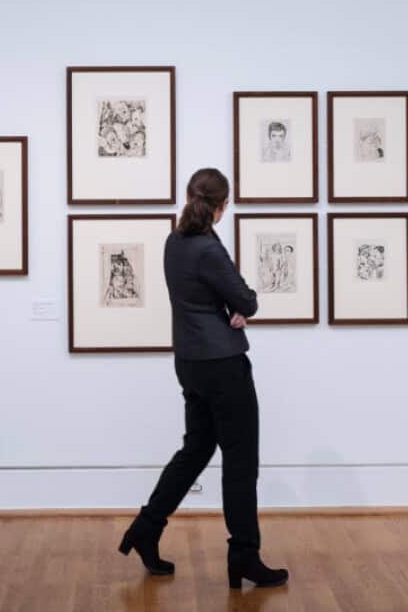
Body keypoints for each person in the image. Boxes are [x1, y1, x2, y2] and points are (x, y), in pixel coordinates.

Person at [118, 167, 289, 590]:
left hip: (190, 362)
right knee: (241, 459)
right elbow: (248, 299)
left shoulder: (174, 242)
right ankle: (245, 555)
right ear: (222, 206)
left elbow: (216, 296)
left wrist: (228, 305)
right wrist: (236, 307)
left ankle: (146, 527)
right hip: (224, 364)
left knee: (195, 451)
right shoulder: (208, 248)